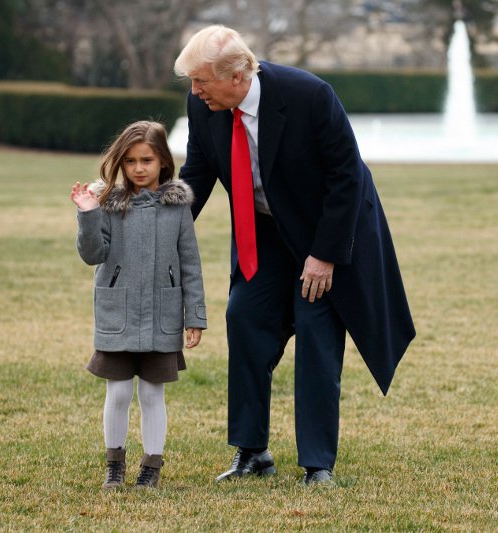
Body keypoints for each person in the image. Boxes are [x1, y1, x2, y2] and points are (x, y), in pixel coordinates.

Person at [173, 26, 415, 484]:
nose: (194, 90)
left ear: (239, 75)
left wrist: (324, 255)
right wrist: (156, 222)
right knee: (244, 316)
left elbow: (348, 176)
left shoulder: (309, 95)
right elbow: (197, 176)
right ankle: (252, 453)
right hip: (262, 233)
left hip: (323, 233)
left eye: (201, 80)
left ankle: (317, 464)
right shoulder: (202, 107)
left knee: (315, 328)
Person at [71, 121, 207, 489]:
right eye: (130, 161)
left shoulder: (177, 208)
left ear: (163, 161)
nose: (138, 168)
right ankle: (114, 464)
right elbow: (92, 254)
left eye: (147, 159)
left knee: (151, 393)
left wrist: (194, 316)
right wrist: (87, 214)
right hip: (119, 314)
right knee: (117, 392)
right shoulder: (108, 206)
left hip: (162, 316)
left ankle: (151, 467)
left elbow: (190, 264)